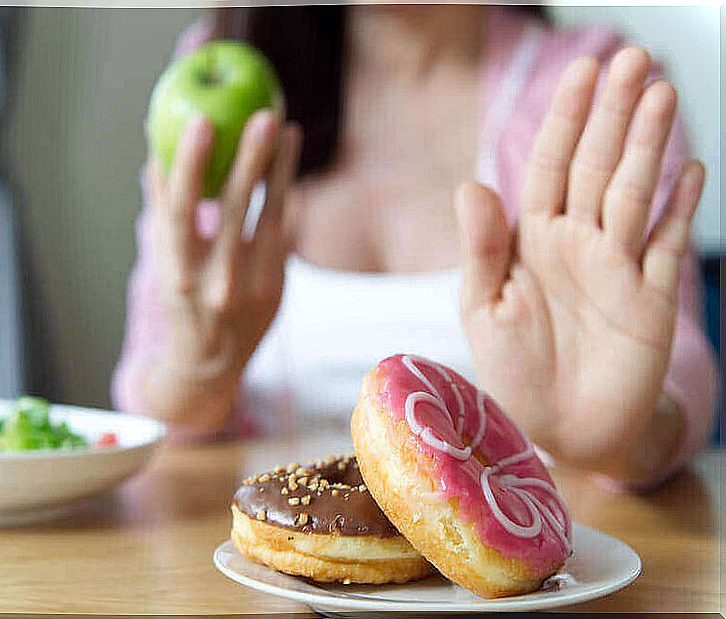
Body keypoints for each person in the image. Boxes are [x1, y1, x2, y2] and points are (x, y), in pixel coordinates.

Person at [113, 5, 718, 489]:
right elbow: (150, 384)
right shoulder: (214, 68)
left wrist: (617, 439)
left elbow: (672, 373)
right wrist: (196, 379)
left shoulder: (598, 88)